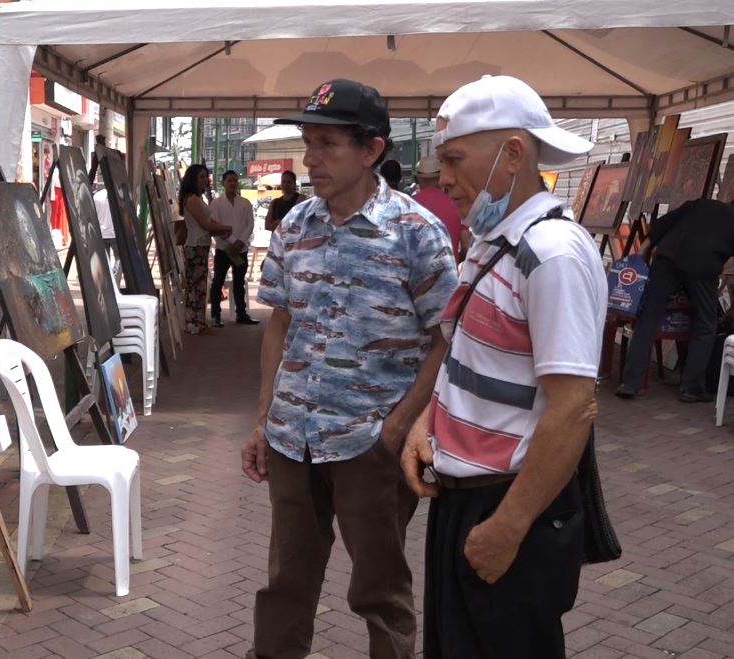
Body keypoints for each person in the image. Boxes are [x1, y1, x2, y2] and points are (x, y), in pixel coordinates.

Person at [242, 78, 459, 659]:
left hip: (371, 444)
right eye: (308, 142)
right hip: (294, 438)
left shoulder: (416, 233)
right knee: (286, 582)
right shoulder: (295, 226)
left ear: (372, 150)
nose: (311, 159)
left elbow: (447, 338)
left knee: (380, 589)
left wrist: (398, 429)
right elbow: (280, 324)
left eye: (329, 143)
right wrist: (264, 419)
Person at [400, 75, 606, 659]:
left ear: (512, 153)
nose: (443, 178)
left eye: (455, 159)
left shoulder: (552, 254)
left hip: (509, 508)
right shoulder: (493, 241)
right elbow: (463, 354)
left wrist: (508, 527)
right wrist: (426, 428)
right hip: (466, 501)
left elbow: (573, 408)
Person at [617, 198, 734, 402]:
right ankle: (691, 388)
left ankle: (629, 383)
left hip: (667, 259)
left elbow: (659, 227)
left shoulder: (701, 204)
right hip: (703, 268)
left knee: (648, 318)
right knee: (706, 324)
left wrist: (641, 255)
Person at [179, 164, 232, 335]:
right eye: (201, 176)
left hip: (201, 245)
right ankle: (192, 323)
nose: (205, 180)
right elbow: (205, 223)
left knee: (201, 286)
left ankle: (199, 321)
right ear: (193, 179)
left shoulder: (198, 198)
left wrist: (221, 229)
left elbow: (209, 222)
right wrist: (223, 228)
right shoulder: (192, 199)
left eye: (206, 176)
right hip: (194, 247)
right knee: (195, 287)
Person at [209, 170, 259, 326]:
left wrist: (240, 242)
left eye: (235, 180)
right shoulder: (216, 203)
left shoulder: (245, 203)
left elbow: (250, 225)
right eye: (229, 180)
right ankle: (216, 315)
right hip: (224, 249)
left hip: (240, 250)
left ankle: (242, 314)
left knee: (239, 282)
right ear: (223, 183)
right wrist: (231, 241)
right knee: (218, 281)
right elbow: (215, 225)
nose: (232, 183)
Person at [413, 155, 467, 262]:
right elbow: (466, 245)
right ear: (440, 177)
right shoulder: (457, 204)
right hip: (450, 274)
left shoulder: (407, 206)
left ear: (418, 179)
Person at [93, 182, 118, 255]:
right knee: (119, 259)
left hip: (101, 233)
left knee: (104, 262)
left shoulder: (96, 197)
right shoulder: (116, 196)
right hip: (114, 233)